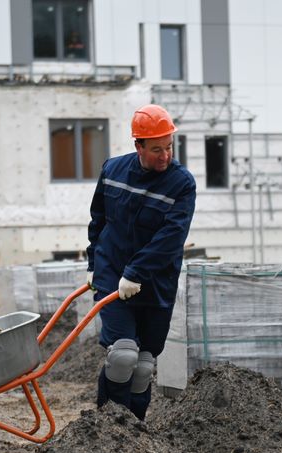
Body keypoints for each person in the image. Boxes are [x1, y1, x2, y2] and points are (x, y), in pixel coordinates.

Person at [85, 104, 196, 421]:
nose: (165, 156)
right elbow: (98, 219)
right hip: (112, 276)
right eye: (157, 149)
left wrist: (136, 272)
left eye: (170, 147)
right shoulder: (113, 171)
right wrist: (95, 263)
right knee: (122, 357)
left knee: (144, 365)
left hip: (155, 284)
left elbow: (171, 237)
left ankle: (134, 429)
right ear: (139, 146)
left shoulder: (181, 184)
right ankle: (111, 421)